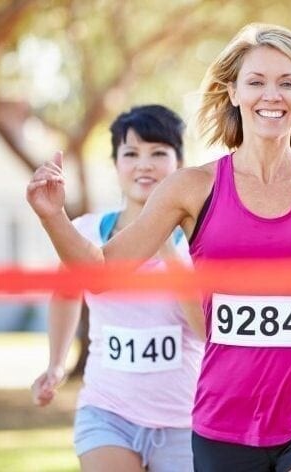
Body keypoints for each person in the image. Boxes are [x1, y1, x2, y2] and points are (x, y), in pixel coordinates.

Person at [26, 24, 291, 472]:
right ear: (233, 92)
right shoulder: (191, 188)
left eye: (287, 83)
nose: (272, 95)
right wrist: (53, 216)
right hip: (225, 420)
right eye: (256, 82)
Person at [30, 104, 205, 472]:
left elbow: (206, 330)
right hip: (106, 413)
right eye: (131, 153)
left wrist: (165, 245)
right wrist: (56, 365)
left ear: (180, 163)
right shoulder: (86, 231)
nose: (144, 165)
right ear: (115, 163)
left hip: (185, 421)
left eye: (158, 153)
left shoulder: (199, 241)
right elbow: (66, 293)